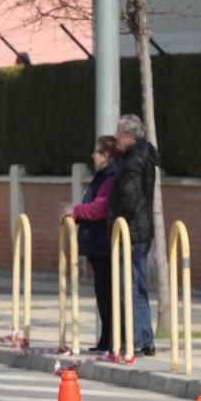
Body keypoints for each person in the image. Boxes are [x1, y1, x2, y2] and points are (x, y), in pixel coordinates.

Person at [107, 114, 160, 357]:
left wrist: (115, 217)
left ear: (128, 136)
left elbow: (128, 197)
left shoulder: (134, 162)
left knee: (132, 288)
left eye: (118, 133)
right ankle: (144, 339)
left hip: (133, 231)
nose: (115, 138)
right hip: (139, 229)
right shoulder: (139, 157)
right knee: (137, 287)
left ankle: (138, 339)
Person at [70, 135, 118, 353]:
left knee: (108, 294)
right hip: (96, 244)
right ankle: (105, 339)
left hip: (103, 244)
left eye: (97, 152)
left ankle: (111, 340)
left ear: (107, 155)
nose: (93, 156)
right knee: (103, 293)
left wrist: (75, 211)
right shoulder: (101, 176)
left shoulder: (110, 177)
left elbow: (100, 208)